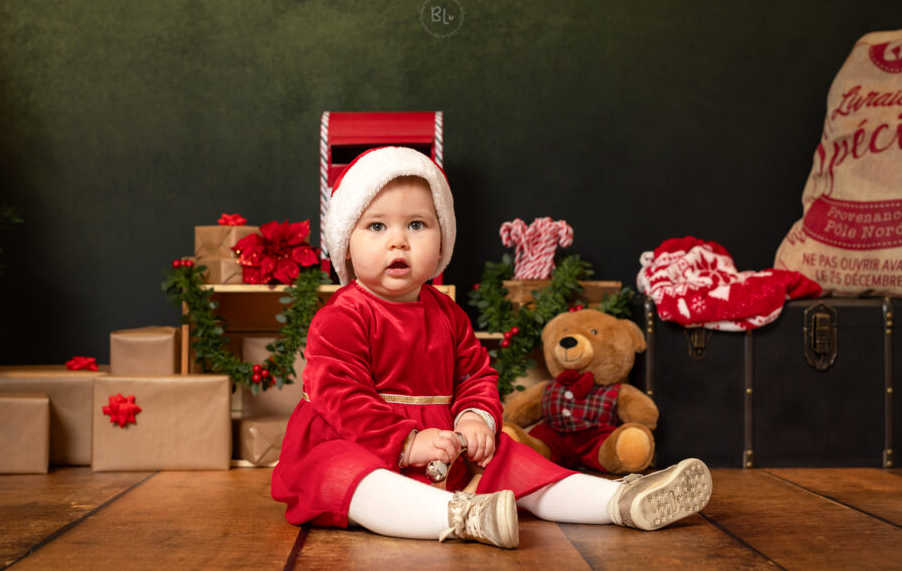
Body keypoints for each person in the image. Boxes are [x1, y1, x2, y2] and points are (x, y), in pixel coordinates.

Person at [271, 146, 712, 548]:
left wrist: (475, 417)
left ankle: (618, 501)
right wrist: (406, 442)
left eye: (417, 225)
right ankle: (462, 516)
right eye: (377, 226)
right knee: (351, 476)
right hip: (360, 439)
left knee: (512, 458)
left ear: (442, 241)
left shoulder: (447, 314)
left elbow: (475, 375)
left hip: (445, 445)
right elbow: (341, 397)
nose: (398, 240)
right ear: (345, 244)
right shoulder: (343, 316)